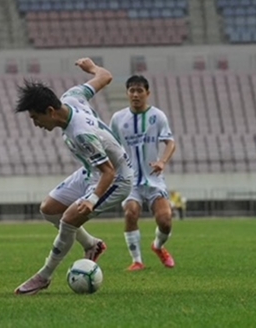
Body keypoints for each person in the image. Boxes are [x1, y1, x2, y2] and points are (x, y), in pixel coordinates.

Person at [13, 58, 133, 296]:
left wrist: (91, 200)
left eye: (36, 118)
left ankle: (44, 276)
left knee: (68, 219)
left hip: (115, 178)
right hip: (92, 170)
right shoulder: (72, 96)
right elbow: (105, 76)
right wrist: (92, 68)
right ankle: (92, 245)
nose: (36, 124)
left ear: (49, 111)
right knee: (49, 209)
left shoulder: (80, 134)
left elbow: (108, 172)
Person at [109, 75, 177, 272]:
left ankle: (158, 246)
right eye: (132, 91)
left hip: (154, 179)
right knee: (131, 213)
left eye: (140, 91)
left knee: (165, 220)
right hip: (130, 180)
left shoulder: (158, 116)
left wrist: (162, 161)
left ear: (148, 93)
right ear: (127, 93)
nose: (135, 94)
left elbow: (170, 142)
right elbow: (110, 146)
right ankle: (137, 260)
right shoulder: (118, 119)